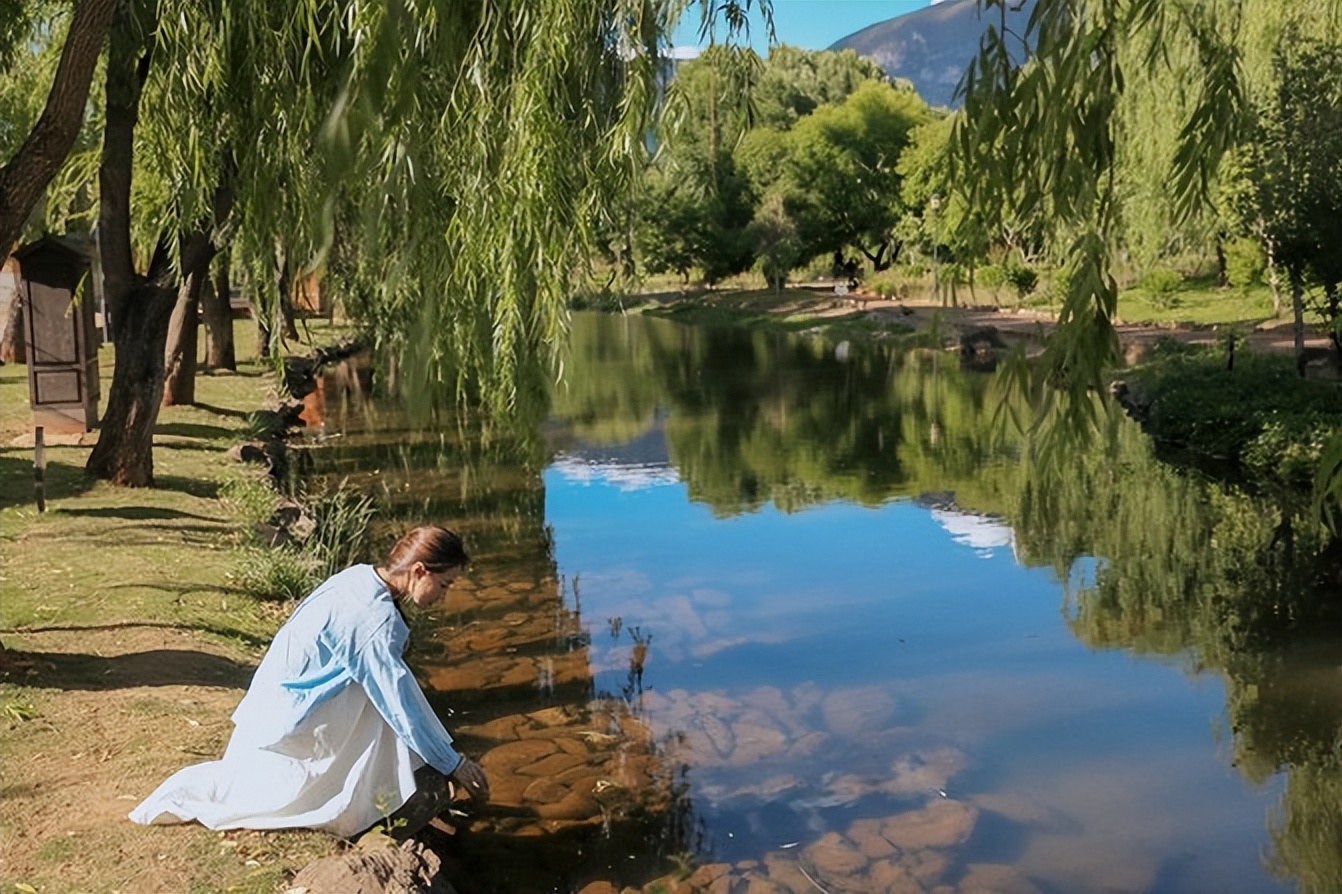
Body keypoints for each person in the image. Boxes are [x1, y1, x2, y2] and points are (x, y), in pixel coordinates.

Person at [130, 525, 489, 839]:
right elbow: (399, 705)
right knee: (383, 695)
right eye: (445, 584)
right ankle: (371, 799)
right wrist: (453, 763)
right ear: (420, 571)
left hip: (271, 703)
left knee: (386, 681)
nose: (444, 595)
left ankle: (399, 783)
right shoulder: (375, 622)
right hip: (292, 722)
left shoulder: (359, 577)